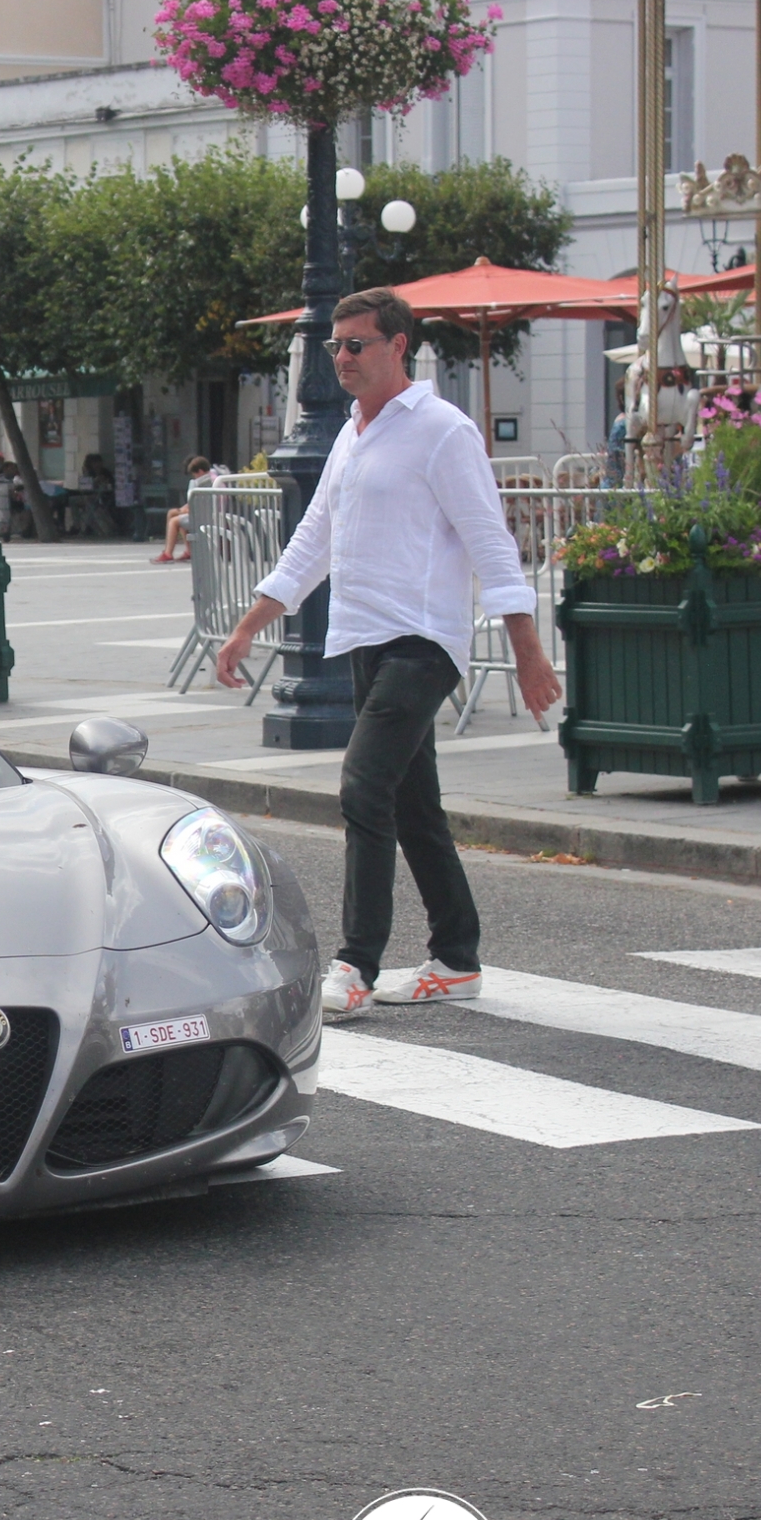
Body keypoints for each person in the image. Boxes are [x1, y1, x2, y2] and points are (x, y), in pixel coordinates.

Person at [214, 286, 560, 1018]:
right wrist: (251, 625)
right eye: (334, 346)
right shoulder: (352, 433)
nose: (341, 358)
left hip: (423, 640)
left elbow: (491, 542)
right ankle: (456, 956)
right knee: (414, 807)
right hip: (364, 638)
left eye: (355, 344)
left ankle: (356, 962)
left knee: (363, 787)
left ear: (399, 346)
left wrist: (528, 650)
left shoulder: (441, 430)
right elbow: (314, 540)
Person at [157, 456, 214, 563]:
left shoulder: (200, 482)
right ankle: (188, 550)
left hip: (202, 516)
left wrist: (185, 510)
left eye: (194, 474)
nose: (194, 476)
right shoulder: (213, 479)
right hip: (206, 513)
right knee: (174, 514)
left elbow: (196, 503)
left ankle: (168, 553)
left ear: (200, 471)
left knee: (174, 521)